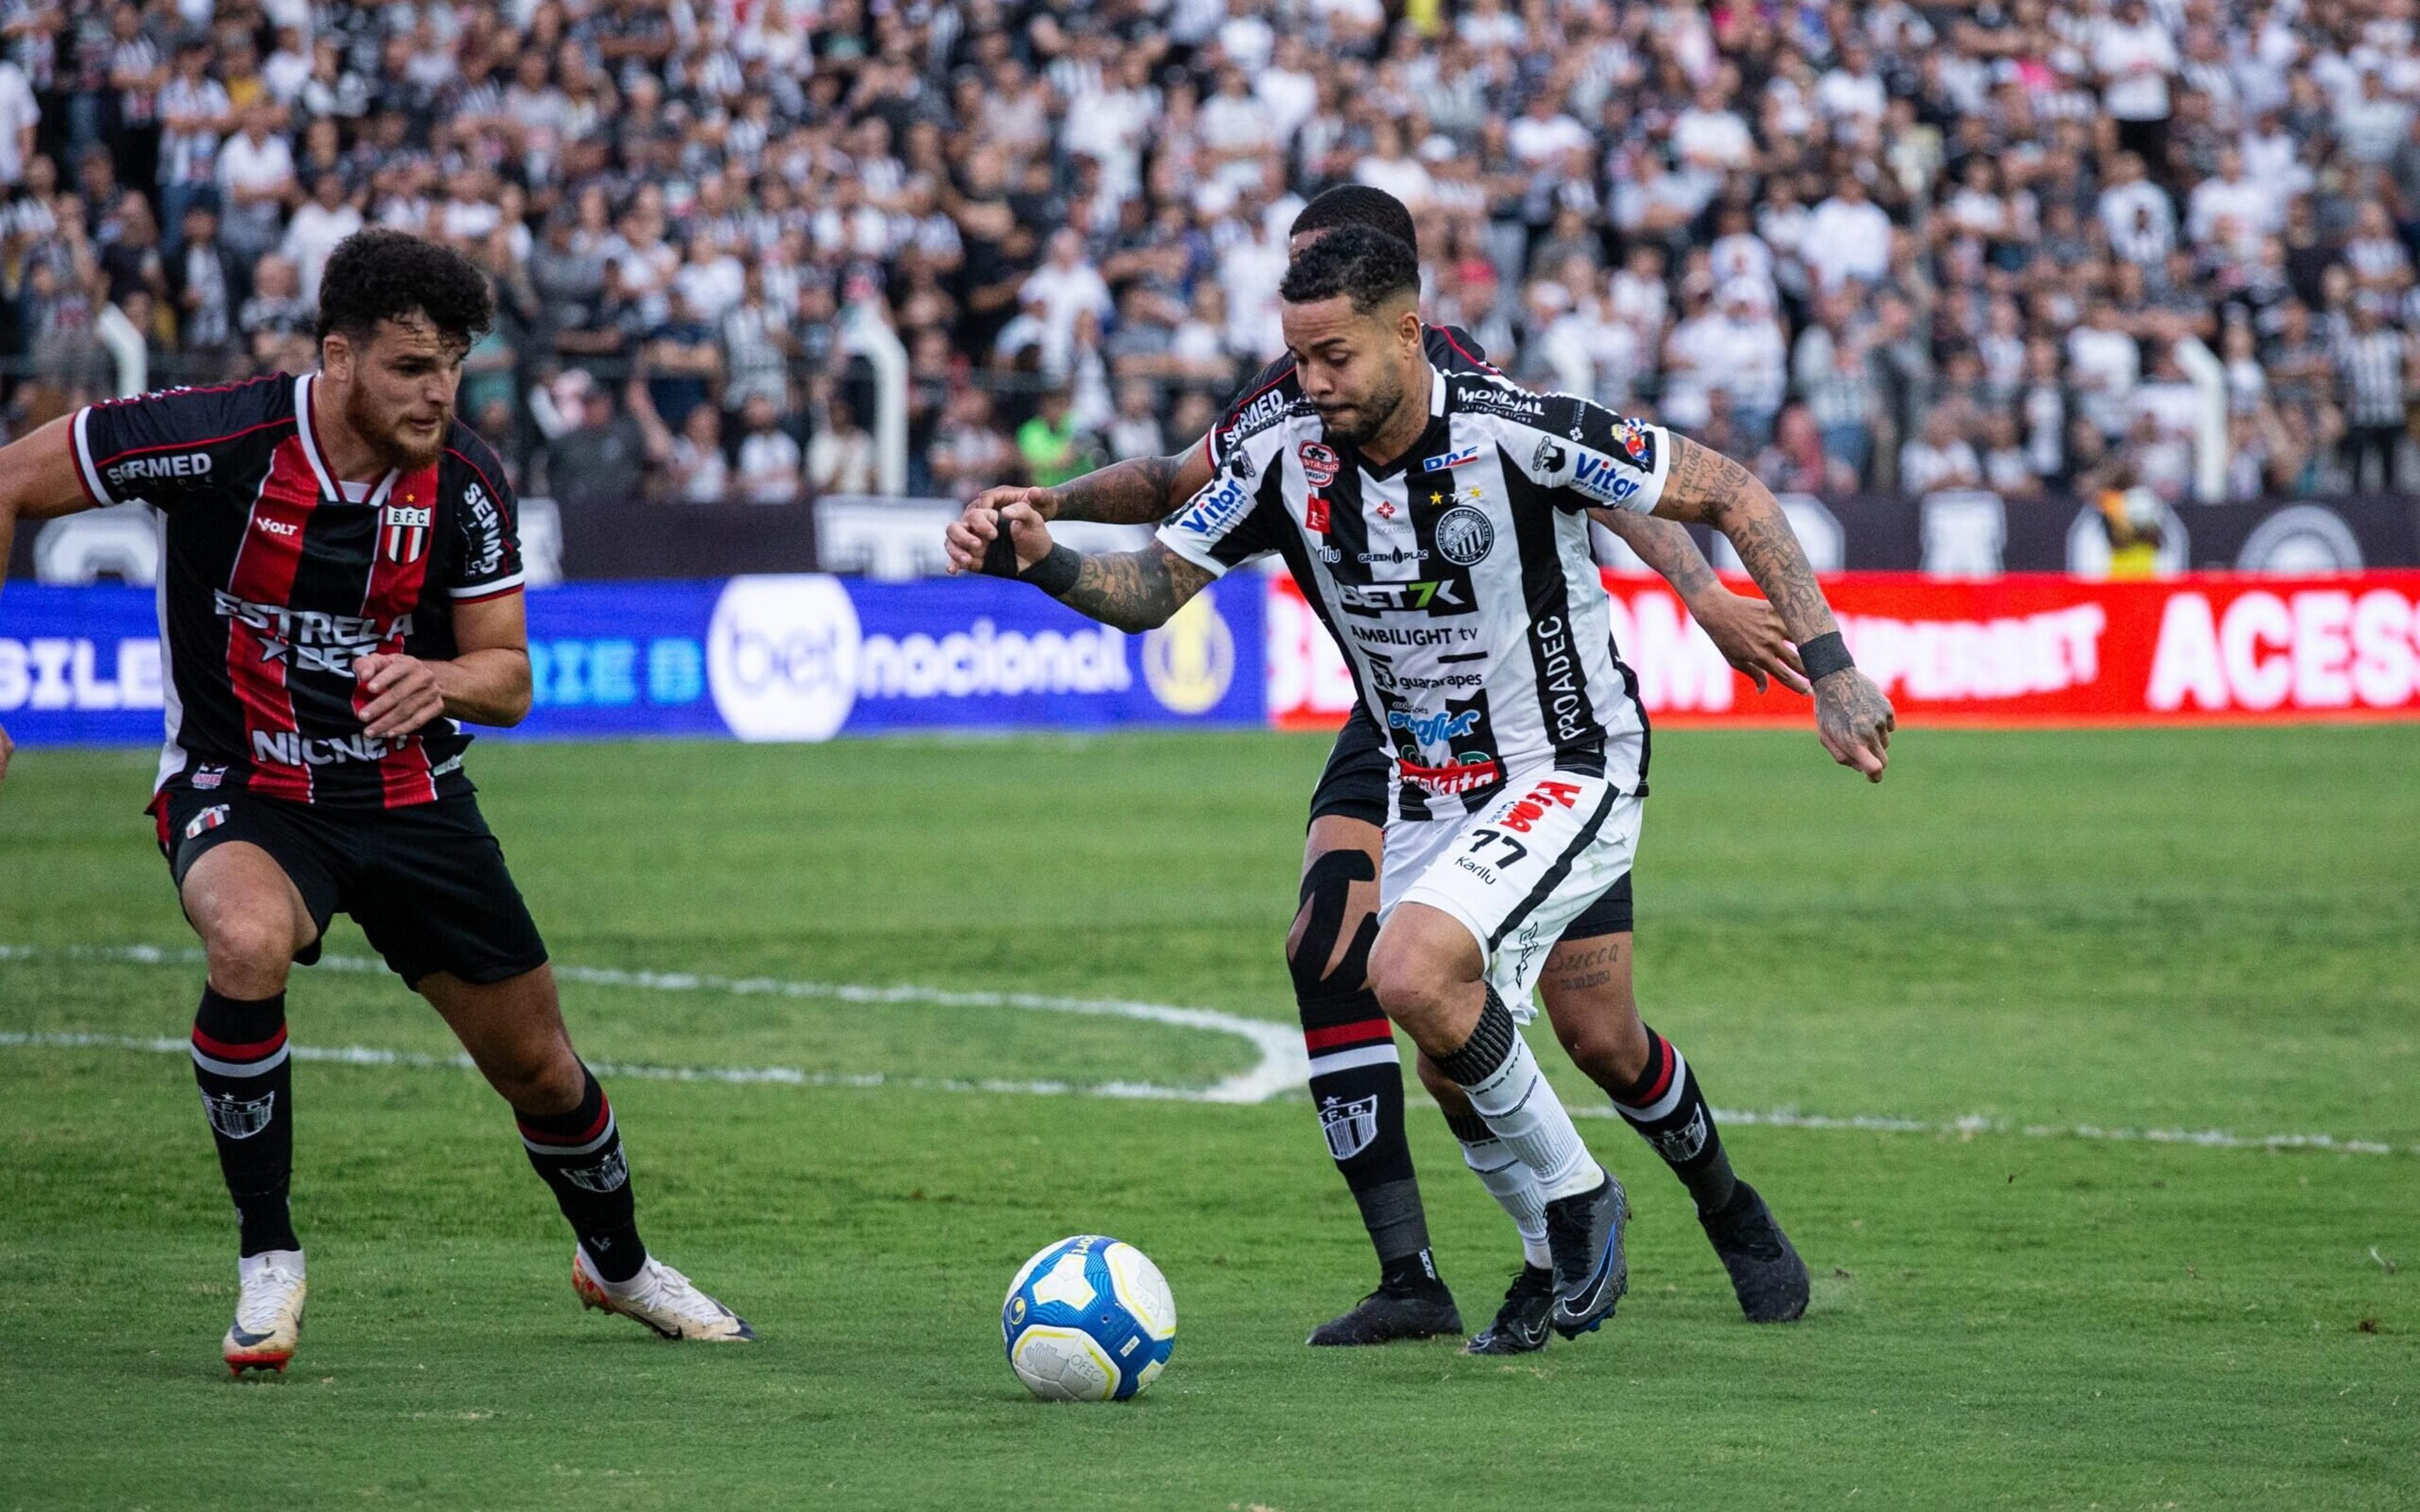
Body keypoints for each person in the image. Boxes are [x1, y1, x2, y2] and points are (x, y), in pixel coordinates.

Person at [960, 226, 1896, 1346]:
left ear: (1406, 332)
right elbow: (1155, 583)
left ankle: (1589, 1198)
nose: (1309, 384)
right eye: (1296, 359)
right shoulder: (1281, 454)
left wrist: (1829, 668)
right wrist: (1043, 558)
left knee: (1447, 983)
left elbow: (1730, 490)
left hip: (1568, 757)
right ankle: (1551, 1263)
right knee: (1452, 1059)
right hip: (1425, 784)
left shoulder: (1514, 425)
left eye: (1332, 359)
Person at [0, 229, 750, 1373]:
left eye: (451, 365)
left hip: (411, 797)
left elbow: (509, 677)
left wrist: (440, 677)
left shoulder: (467, 482)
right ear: (337, 358)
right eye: (412, 366)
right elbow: (10, 481)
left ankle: (619, 1264)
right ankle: (270, 1259)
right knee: (245, 940)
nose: (438, 391)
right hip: (244, 782)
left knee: (541, 1068)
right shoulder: (217, 437)